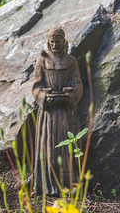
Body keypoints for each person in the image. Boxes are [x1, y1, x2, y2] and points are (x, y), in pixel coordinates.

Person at [32, 27, 83, 195]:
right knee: (47, 146)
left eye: (58, 41)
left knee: (67, 146)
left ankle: (68, 185)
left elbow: (78, 84)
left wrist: (70, 95)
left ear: (64, 42)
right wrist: (43, 97)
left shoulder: (71, 61)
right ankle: (46, 184)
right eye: (52, 41)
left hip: (66, 112)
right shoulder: (42, 61)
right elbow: (36, 86)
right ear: (48, 42)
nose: (55, 44)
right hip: (48, 114)